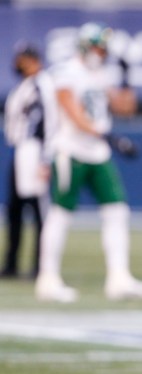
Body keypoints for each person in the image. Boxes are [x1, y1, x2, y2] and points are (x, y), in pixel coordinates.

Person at [36, 22, 142, 302]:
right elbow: (72, 112)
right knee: (61, 214)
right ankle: (48, 278)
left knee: (117, 211)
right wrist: (110, 136)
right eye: (100, 47)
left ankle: (119, 277)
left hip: (96, 152)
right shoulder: (66, 72)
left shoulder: (99, 74)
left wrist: (127, 76)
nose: (103, 53)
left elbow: (125, 108)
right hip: (69, 150)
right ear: (86, 46)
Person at [2, 42, 57, 279]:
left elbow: (51, 122)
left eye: (22, 58)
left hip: (35, 151)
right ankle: (12, 263)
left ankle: (41, 265)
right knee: (14, 209)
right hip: (21, 150)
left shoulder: (43, 84)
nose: (18, 62)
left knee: (38, 210)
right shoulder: (25, 86)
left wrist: (46, 158)